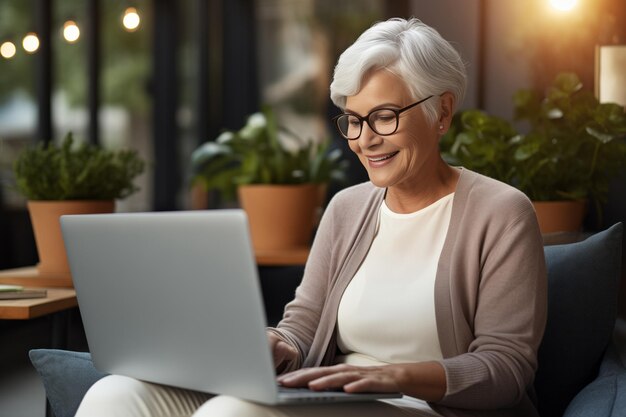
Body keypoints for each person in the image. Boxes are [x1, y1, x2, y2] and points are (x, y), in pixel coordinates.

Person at [75, 17, 547, 417]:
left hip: (414, 406)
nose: (365, 140)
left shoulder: (501, 213)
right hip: (324, 396)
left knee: (230, 412)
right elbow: (303, 325)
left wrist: (389, 375)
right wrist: (272, 343)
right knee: (113, 396)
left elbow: (505, 368)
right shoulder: (346, 208)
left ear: (441, 112)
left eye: (384, 116)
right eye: (354, 120)